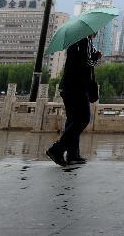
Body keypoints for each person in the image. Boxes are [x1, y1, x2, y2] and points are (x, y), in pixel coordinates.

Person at [46, 34, 101, 166]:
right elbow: (86, 63)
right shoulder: (85, 40)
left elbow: (78, 61)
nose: (96, 33)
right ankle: (57, 149)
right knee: (83, 118)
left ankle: (72, 154)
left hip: (68, 86)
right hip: (78, 87)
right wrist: (96, 57)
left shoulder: (74, 41)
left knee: (72, 120)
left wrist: (92, 55)